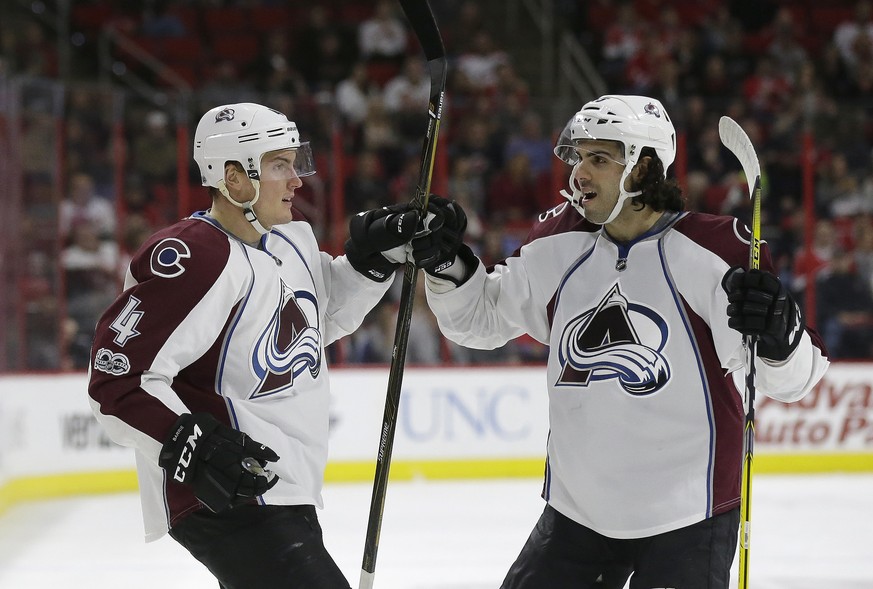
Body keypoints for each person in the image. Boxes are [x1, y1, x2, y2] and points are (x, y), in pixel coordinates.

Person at [407, 95, 830, 588]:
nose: (578, 174)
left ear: (643, 168)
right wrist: (446, 265)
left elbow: (792, 382)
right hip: (576, 514)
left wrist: (780, 336)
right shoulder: (557, 240)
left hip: (687, 513)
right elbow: (480, 319)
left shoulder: (716, 250)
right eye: (578, 157)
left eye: (599, 159)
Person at [87, 103, 419, 589]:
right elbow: (118, 381)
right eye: (279, 165)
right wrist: (194, 445)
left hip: (285, 486)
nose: (297, 181)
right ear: (235, 179)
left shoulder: (290, 240)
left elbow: (318, 320)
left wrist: (375, 260)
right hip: (228, 491)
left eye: (294, 163)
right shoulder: (193, 257)